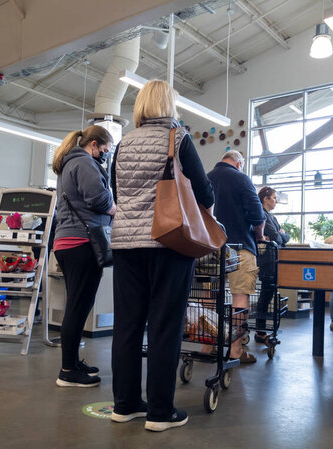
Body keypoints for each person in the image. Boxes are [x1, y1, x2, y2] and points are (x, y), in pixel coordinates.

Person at [110, 80, 214, 431]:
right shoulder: (178, 138)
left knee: (126, 326)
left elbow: (116, 193)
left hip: (125, 246)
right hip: (168, 242)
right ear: (169, 104)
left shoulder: (123, 144)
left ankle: (124, 405)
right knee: (164, 327)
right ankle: (159, 412)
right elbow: (204, 191)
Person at [52, 125, 115, 388]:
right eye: (105, 150)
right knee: (78, 307)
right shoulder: (85, 164)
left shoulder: (68, 165)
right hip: (82, 242)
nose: (106, 155)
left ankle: (73, 362)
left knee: (77, 305)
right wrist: (117, 210)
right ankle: (67, 371)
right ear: (94, 144)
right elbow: (98, 199)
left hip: (66, 242)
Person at [207, 150, 265, 363]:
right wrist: (259, 236)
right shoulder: (242, 179)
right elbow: (258, 216)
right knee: (240, 297)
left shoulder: (204, 177)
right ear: (239, 163)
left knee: (209, 299)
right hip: (239, 247)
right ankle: (235, 350)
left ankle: (208, 345)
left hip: (210, 248)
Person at [254, 186, 289, 344]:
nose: (276, 201)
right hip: (268, 261)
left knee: (267, 295)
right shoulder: (262, 215)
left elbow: (284, 237)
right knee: (265, 296)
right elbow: (277, 236)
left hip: (274, 259)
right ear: (266, 198)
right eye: (274, 197)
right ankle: (260, 332)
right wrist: (279, 234)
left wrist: (280, 235)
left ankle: (261, 331)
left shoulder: (271, 217)